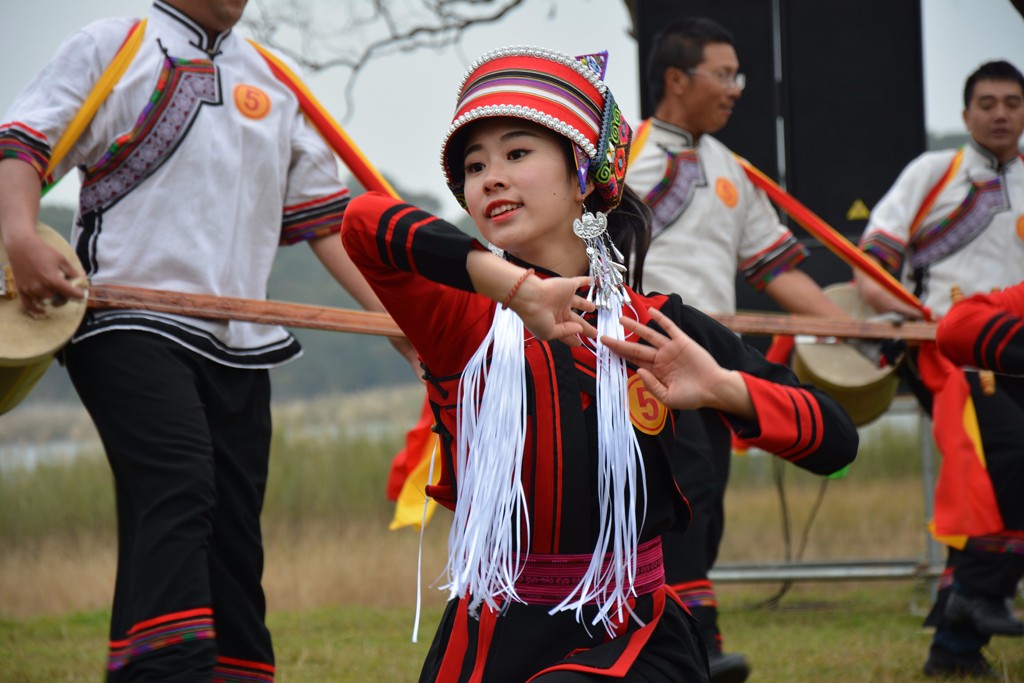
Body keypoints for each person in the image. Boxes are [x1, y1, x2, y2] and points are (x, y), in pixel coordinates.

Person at [341, 46, 857, 683]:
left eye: (517, 153)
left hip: (629, 632)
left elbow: (836, 441)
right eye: (474, 167)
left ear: (585, 173)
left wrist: (724, 389)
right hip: (493, 632)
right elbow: (362, 223)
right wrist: (517, 291)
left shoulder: (660, 324)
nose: (490, 178)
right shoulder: (462, 321)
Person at [0, 1, 413, 680]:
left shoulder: (275, 80)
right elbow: (22, 143)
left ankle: (216, 667)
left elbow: (326, 222)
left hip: (240, 341)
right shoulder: (112, 47)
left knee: (230, 529)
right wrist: (20, 236)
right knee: (179, 480)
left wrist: (400, 324)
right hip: (124, 322)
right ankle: (174, 668)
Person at [625, 17, 851, 681]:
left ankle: (683, 638)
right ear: (675, 79)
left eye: (737, 76)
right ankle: (695, 642)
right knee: (681, 488)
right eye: (723, 74)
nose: (735, 89)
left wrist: (854, 329)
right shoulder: (616, 155)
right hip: (639, 347)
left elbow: (777, 269)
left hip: (711, 356)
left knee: (705, 497)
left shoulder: (735, 172)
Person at [855, 60, 1024, 678]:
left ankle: (955, 644)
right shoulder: (933, 172)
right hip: (945, 351)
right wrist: (920, 319)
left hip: (1017, 353)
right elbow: (871, 268)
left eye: (1012, 101)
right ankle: (977, 601)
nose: (1000, 113)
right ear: (965, 115)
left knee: (992, 480)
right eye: (987, 102)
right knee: (1006, 459)